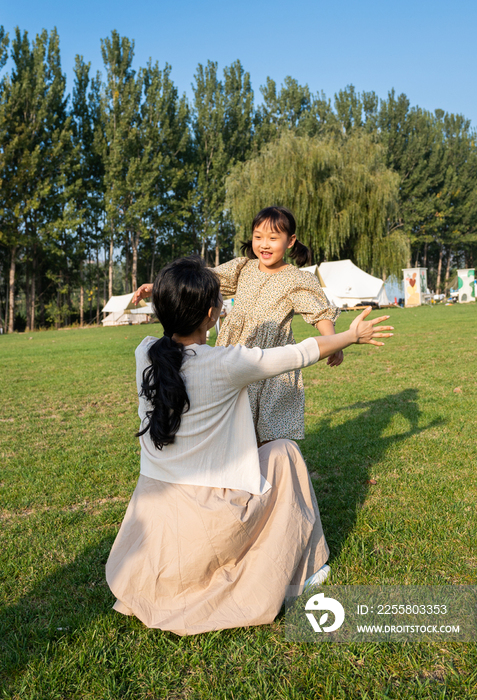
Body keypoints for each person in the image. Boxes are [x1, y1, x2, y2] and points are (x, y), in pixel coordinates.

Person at [107, 256, 393, 636]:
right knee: (283, 453)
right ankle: (307, 568)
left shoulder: (145, 352)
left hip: (154, 519)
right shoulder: (226, 363)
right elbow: (302, 353)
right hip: (207, 523)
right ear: (212, 314)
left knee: (270, 455)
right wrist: (351, 337)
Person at [133, 206, 342, 445]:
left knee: (266, 425)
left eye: (273, 238)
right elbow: (202, 281)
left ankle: (266, 465)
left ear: (290, 241)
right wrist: (159, 286)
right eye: (258, 237)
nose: (264, 244)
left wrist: (334, 342)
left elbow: (319, 312)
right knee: (233, 419)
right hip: (235, 351)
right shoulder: (243, 267)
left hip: (270, 357)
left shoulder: (296, 278)